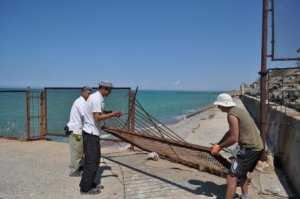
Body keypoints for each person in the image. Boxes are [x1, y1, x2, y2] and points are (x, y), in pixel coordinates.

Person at [210, 93, 264, 199]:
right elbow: (230, 132)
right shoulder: (237, 110)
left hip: (249, 149)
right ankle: (245, 196)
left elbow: (234, 138)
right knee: (241, 173)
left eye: (219, 105)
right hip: (256, 147)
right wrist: (218, 143)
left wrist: (220, 147)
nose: (218, 107)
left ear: (224, 105)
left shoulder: (231, 115)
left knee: (232, 177)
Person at [79, 82, 122, 194]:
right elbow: (97, 117)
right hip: (91, 134)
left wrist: (110, 112)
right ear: (103, 88)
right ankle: (85, 189)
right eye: (108, 90)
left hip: (91, 133)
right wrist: (112, 115)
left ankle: (88, 183)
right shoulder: (97, 99)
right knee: (92, 161)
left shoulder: (95, 97)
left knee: (94, 159)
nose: (110, 92)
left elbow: (98, 112)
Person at [66, 86, 92, 177]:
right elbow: (85, 115)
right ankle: (75, 171)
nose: (90, 95)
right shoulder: (81, 102)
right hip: (76, 130)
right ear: (83, 92)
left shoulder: (82, 101)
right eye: (88, 93)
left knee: (78, 150)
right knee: (77, 150)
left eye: (90, 93)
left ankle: (77, 166)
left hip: (76, 129)